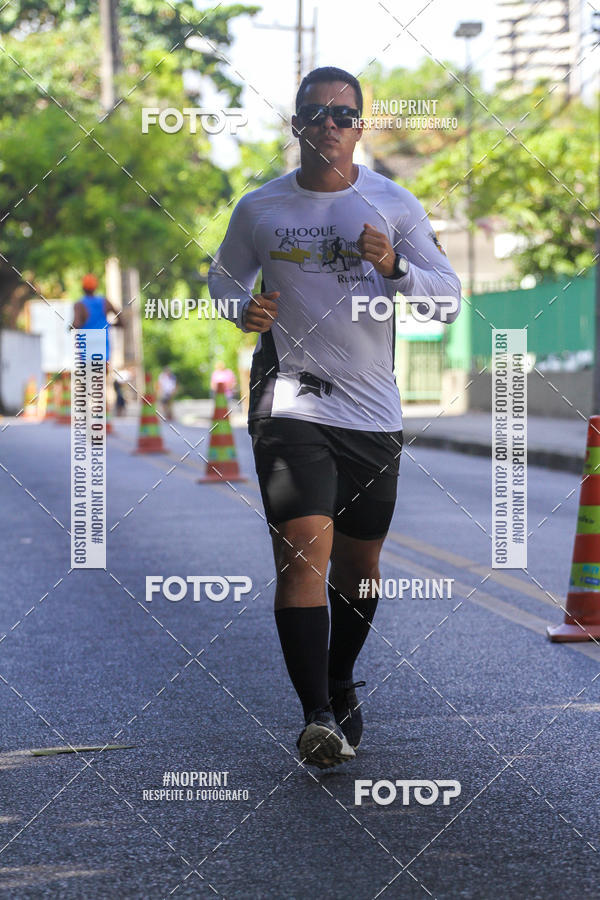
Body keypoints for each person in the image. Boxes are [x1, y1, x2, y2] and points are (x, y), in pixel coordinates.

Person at [208, 66, 462, 769]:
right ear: (295, 124)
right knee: (301, 551)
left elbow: (446, 299)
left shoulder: (393, 204)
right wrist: (242, 309)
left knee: (360, 565)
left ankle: (340, 677)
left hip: (371, 409)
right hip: (291, 398)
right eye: (315, 113)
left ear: (361, 126)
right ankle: (316, 716)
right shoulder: (259, 208)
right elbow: (224, 276)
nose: (329, 124)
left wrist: (396, 269)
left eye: (343, 114)